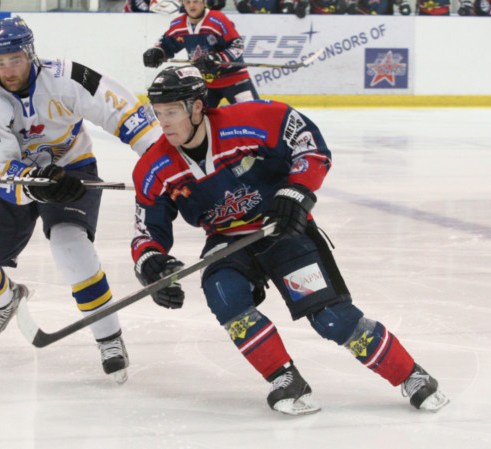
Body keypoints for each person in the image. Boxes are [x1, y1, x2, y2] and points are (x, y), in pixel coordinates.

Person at [131, 66, 450, 415]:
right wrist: (151, 263)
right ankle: (285, 379)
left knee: (332, 319)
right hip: (227, 242)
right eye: (158, 114)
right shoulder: (153, 167)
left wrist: (296, 191)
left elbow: (309, 146)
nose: (163, 122)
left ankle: (410, 375)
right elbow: (147, 231)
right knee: (224, 293)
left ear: (196, 107)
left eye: (172, 112)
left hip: (282, 231)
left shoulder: (253, 119)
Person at [0, 16, 161, 384]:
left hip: (73, 167)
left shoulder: (68, 76)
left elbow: (126, 113)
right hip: (19, 180)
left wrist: (161, 163)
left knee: (70, 245)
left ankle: (109, 337)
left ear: (30, 53)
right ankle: (7, 300)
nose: (7, 70)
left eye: (15, 59)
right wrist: (33, 184)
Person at [143, 0, 258, 108]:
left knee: (252, 115)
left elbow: (237, 45)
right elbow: (166, 45)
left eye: (196, 1)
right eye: (188, 2)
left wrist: (218, 58)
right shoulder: (178, 25)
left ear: (204, 2)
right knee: (196, 120)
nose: (192, 5)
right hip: (204, 84)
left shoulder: (217, 19)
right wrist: (157, 52)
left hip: (235, 79)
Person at [235, 0, 309, 16]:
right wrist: (240, 3)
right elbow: (240, 4)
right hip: (252, 23)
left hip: (277, 25)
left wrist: (299, 7)